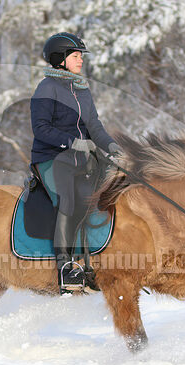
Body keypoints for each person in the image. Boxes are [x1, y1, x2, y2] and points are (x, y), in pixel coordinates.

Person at [30, 32, 123, 293]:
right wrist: (73, 142)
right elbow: (41, 129)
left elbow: (95, 126)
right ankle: (64, 267)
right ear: (60, 59)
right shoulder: (46, 88)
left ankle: (89, 264)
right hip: (50, 158)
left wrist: (113, 147)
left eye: (81, 55)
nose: (81, 60)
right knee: (67, 200)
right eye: (76, 55)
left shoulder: (82, 89)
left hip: (81, 161)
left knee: (93, 199)